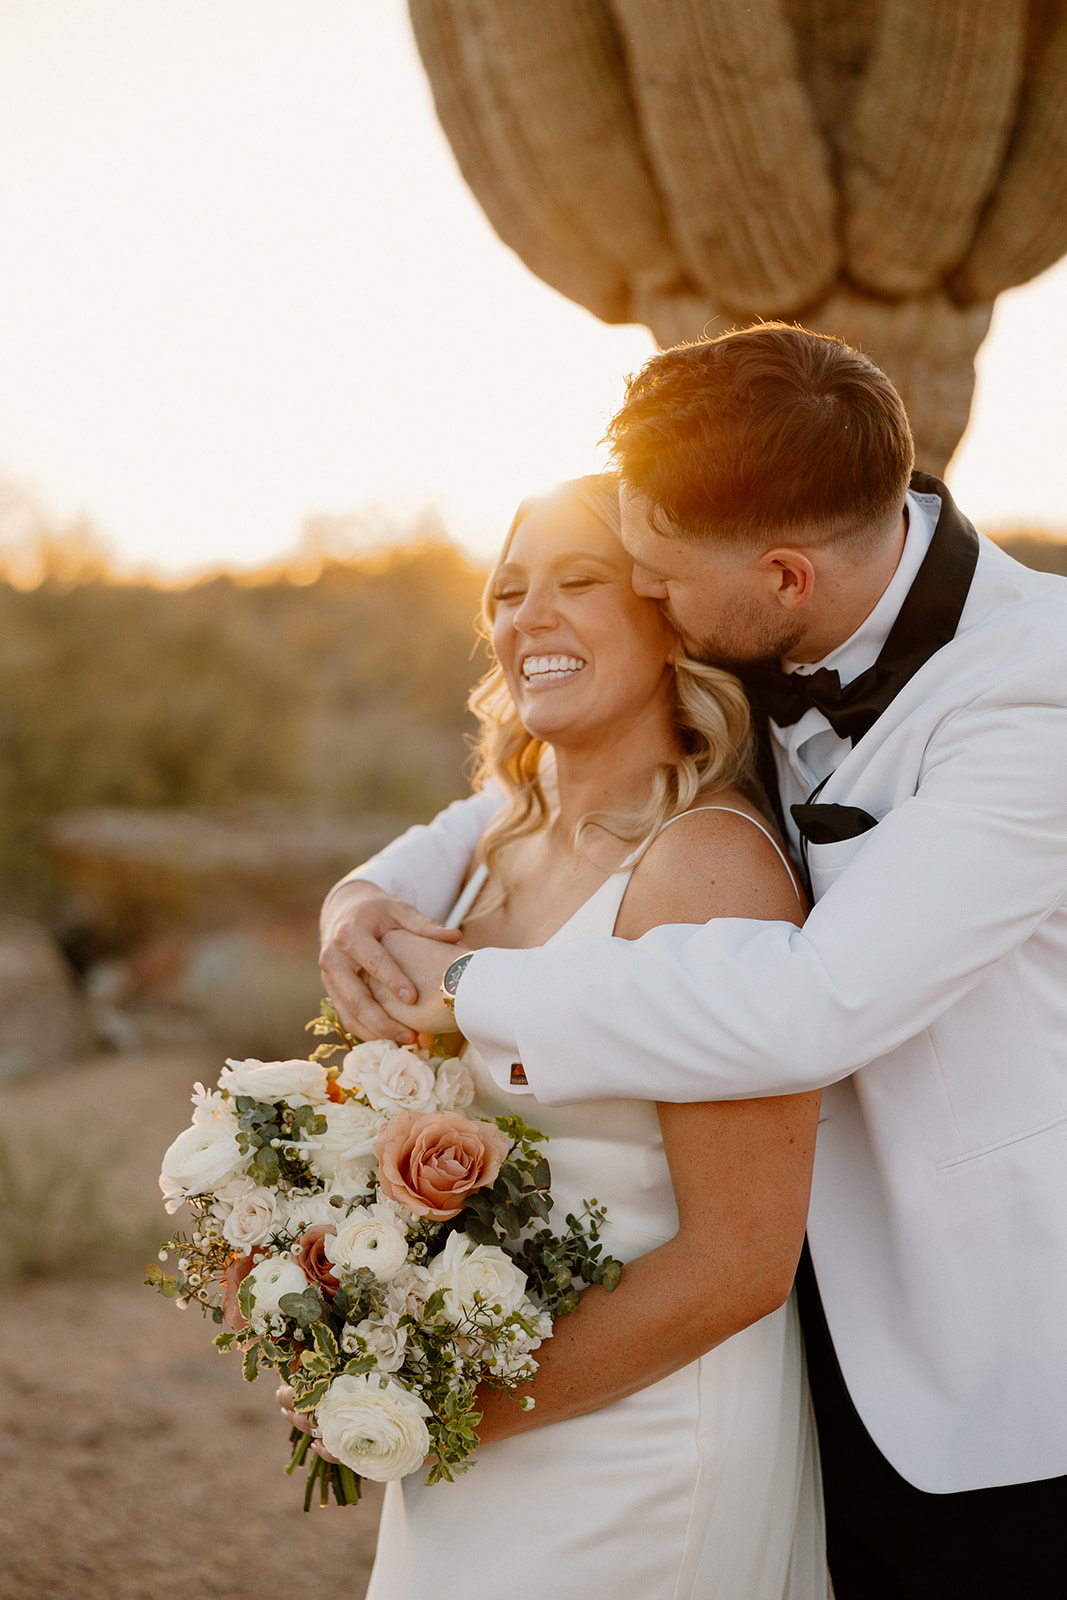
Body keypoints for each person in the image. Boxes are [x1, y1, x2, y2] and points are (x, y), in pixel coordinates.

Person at [321, 325, 1067, 1600]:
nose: (647, 598)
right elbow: (549, 782)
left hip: (984, 1357)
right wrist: (368, 892)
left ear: (780, 580)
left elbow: (813, 1002)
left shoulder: (1033, 690)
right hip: (784, 1338)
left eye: (651, 581)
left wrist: (462, 991)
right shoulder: (775, 602)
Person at [355, 474, 829, 1599]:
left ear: (668, 619)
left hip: (642, 1442)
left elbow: (742, 1261)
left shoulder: (705, 868)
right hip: (468, 1439)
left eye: (578, 580)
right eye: (508, 590)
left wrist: (450, 1405)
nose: (529, 616)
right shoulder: (487, 853)